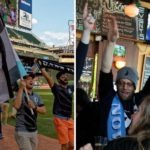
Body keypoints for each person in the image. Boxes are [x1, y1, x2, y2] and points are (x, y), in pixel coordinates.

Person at [76, 2, 150, 149]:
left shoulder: (141, 101)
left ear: (135, 86)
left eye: (129, 84)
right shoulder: (109, 96)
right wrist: (111, 42)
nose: (124, 87)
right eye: (121, 83)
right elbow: (105, 69)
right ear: (116, 84)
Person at [40, 68, 74, 150]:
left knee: (72, 145)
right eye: (63, 77)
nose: (65, 78)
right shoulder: (56, 88)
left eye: (66, 76)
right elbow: (49, 79)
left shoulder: (71, 88)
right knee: (65, 144)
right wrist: (43, 70)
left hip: (69, 119)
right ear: (58, 80)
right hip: (60, 119)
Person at [13, 73, 46, 150]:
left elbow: (44, 110)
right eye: (28, 79)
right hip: (22, 130)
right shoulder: (19, 94)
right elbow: (16, 106)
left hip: (34, 130)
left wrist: (34, 107)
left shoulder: (37, 96)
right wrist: (21, 88)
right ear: (23, 81)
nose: (31, 81)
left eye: (32, 79)